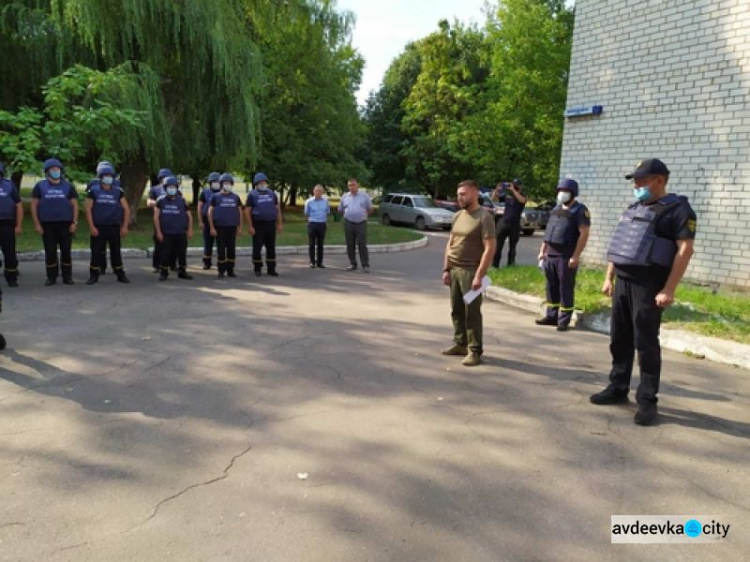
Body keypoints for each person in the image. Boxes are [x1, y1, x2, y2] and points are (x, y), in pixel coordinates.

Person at [590, 159, 697, 426]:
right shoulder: (634, 207)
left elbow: (685, 250)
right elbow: (620, 244)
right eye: (635, 180)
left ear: (659, 180)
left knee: (646, 344)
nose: (636, 185)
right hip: (623, 283)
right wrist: (608, 277)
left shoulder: (679, 210)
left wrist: (669, 288)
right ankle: (617, 387)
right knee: (619, 339)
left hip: (649, 286)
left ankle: (648, 401)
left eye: (641, 180)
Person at [441, 180, 496, 366]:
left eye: (463, 194)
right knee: (456, 310)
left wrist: (480, 275)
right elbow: (451, 242)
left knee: (471, 312)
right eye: (458, 194)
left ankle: (475, 350)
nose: (460, 197)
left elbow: (490, 249)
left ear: (475, 193)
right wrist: (446, 268)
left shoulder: (484, 217)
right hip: (455, 270)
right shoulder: (457, 216)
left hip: (471, 271)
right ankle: (460, 343)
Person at [536, 179, 591, 331]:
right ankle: (551, 316)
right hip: (550, 255)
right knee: (551, 286)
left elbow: (584, 233)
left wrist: (575, 256)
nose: (562, 194)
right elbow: (548, 233)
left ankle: (564, 319)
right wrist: (542, 251)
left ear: (573, 193)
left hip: (566, 255)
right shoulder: (556, 208)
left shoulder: (580, 210)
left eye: (565, 191)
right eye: (560, 191)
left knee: (565, 287)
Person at [30, 158, 78, 286]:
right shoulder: (40, 186)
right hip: (47, 224)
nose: (56, 171)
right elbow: (34, 205)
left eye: (58, 169)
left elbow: (74, 205)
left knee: (66, 251)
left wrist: (74, 222)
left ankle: (67, 276)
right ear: (47, 171)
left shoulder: (68, 186)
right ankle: (51, 276)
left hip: (65, 224)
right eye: (53, 169)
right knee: (50, 251)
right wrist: (36, 224)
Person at [85, 163, 131, 285]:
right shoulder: (93, 191)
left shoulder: (118, 191)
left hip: (114, 226)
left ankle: (120, 273)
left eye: (110, 176)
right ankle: (94, 275)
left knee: (116, 251)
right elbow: (88, 209)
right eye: (106, 175)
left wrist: (125, 226)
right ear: (100, 177)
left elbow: (126, 209)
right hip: (98, 226)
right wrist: (91, 226)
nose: (108, 178)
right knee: (96, 251)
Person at [154, 176, 194, 282]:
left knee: (182, 253)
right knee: (165, 254)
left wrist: (190, 229)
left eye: (174, 187)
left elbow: (189, 216)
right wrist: (158, 231)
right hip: (166, 232)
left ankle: (182, 271)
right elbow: (156, 217)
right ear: (165, 188)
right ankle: (163, 273)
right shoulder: (160, 200)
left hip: (180, 232)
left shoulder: (182, 200)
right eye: (169, 187)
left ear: (177, 188)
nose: (172, 189)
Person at [245, 172, 282, 277]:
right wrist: (250, 226)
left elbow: (277, 209)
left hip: (270, 224)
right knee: (257, 247)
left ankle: (271, 268)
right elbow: (247, 211)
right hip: (258, 224)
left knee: (271, 247)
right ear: (256, 184)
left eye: (264, 182)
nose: (262, 184)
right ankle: (257, 268)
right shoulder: (252, 195)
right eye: (260, 182)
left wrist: (279, 224)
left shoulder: (272, 194)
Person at [86, 161, 119, 274]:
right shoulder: (93, 184)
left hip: (112, 221)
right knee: (98, 249)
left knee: (114, 248)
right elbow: (89, 203)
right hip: (98, 220)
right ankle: (99, 267)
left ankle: (116, 269)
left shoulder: (117, 184)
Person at [208, 173, 243, 278]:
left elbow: (240, 212)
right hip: (220, 227)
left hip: (232, 227)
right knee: (221, 249)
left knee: (231, 249)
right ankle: (221, 270)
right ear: (221, 184)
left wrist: (240, 227)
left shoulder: (236, 197)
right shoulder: (216, 197)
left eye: (229, 183)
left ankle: (230, 270)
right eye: (225, 183)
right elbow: (210, 212)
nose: (227, 185)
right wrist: (212, 227)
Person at [338, 178, 373, 272]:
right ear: (348, 186)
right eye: (350, 185)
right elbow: (340, 209)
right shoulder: (345, 197)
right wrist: (347, 216)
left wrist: (364, 215)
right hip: (348, 223)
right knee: (350, 244)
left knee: (362, 243)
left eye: (353, 185)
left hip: (361, 223)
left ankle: (365, 265)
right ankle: (352, 263)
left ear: (357, 185)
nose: (352, 187)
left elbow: (370, 209)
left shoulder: (364, 196)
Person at [492, 178, 527, 268]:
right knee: (498, 245)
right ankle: (495, 265)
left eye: (516, 185)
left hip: (515, 224)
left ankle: (510, 265)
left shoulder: (522, 196)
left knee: (512, 247)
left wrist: (514, 191)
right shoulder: (507, 195)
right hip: (504, 222)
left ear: (520, 186)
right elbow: (495, 199)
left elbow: (522, 200)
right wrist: (496, 190)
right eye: (514, 185)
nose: (514, 187)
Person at [148, 168, 176, 273]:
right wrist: (161, 204)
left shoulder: (174, 188)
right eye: (164, 178)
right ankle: (157, 265)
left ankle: (173, 264)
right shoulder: (155, 189)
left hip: (173, 219)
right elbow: (149, 202)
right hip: (159, 219)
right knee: (159, 243)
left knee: (174, 244)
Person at [0, 162, 22, 287]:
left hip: (7, 224)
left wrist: (18, 225)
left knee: (9, 252)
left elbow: (18, 205)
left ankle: (11, 277)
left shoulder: (9, 186)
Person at [198, 172, 221, 270]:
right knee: (208, 242)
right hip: (207, 220)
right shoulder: (205, 193)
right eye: (214, 182)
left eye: (217, 181)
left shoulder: (223, 192)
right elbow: (199, 207)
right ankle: (207, 262)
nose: (216, 183)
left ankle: (221, 262)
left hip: (220, 220)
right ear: (210, 183)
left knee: (221, 243)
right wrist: (200, 221)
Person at [304, 184, 330, 268]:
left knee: (320, 244)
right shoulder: (309, 201)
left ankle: (320, 262)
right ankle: (312, 262)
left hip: (322, 224)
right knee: (311, 243)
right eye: (316, 191)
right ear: (313, 191)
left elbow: (327, 212)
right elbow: (306, 213)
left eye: (320, 191)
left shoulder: (325, 201)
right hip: (312, 223)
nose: (318, 192)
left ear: (322, 192)